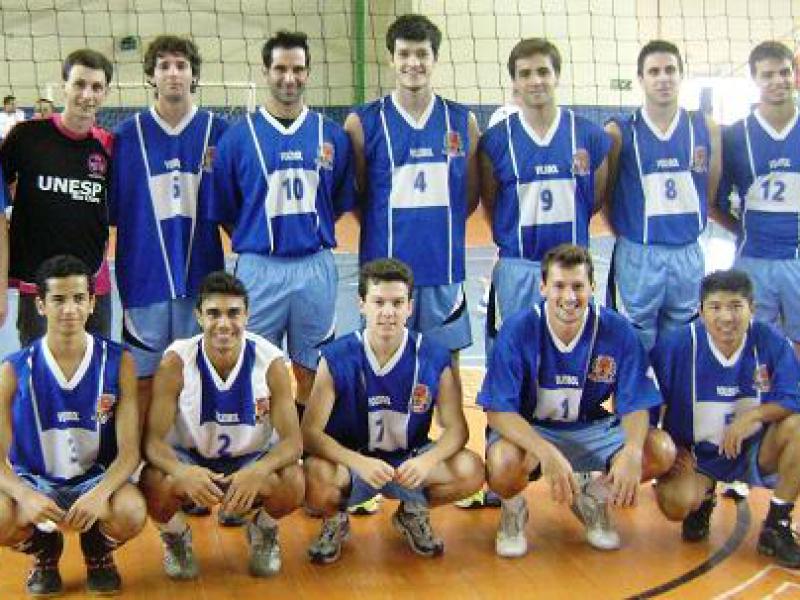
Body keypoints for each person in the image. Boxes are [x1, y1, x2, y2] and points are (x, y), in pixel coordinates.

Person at [479, 244, 675, 557]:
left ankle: (593, 496)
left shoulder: (616, 330)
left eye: (578, 286)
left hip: (591, 427)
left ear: (592, 287)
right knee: (502, 464)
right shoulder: (518, 330)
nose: (569, 297)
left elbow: (637, 401)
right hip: (534, 429)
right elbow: (498, 412)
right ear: (543, 287)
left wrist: (633, 451)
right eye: (559, 286)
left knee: (660, 451)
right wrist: (546, 452)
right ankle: (513, 508)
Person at [210, 30, 354, 417]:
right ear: (265, 72)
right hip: (260, 268)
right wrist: (257, 236)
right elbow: (226, 209)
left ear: (308, 72)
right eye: (280, 69)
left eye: (298, 69)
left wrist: (306, 232)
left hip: (314, 266)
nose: (289, 78)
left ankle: (306, 446)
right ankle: (262, 443)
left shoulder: (332, 135)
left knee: (313, 371)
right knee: (256, 369)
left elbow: (337, 201)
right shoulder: (237, 138)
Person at [302, 258, 484, 564]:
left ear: (410, 307)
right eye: (379, 302)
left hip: (408, 459)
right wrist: (357, 462)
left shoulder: (433, 356)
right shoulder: (336, 358)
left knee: (471, 470)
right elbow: (309, 433)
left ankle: (413, 511)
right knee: (313, 476)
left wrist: (427, 461)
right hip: (353, 461)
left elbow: (457, 429)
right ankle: (335, 517)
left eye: (397, 303)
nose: (388, 312)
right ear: (362, 305)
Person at [140, 271, 304, 579]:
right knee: (153, 482)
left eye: (233, 313)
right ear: (199, 316)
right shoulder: (176, 362)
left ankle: (263, 529)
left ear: (247, 316)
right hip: (192, 460)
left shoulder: (271, 363)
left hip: (248, 461)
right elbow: (152, 442)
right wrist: (180, 471)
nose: (224, 324)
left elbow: (293, 443)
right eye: (214, 313)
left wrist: (259, 470)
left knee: (293, 481)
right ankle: (176, 536)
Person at [0, 255, 144, 596]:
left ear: (92, 303)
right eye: (59, 299)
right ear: (40, 305)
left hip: (95, 478)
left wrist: (101, 493)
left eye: (79, 298)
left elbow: (129, 453)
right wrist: (24, 495)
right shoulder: (13, 370)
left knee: (132, 512)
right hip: (35, 481)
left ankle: (97, 551)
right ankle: (44, 551)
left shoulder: (119, 361)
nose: (70, 309)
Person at [345, 13, 480, 354]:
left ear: (435, 58)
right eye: (404, 54)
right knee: (381, 370)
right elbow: (360, 198)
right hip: (384, 275)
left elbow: (470, 196)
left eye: (422, 54)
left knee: (445, 370)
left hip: (442, 269)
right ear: (391, 58)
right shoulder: (363, 122)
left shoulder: (462, 121)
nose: (413, 63)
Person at [110, 35, 227, 426]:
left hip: (202, 281)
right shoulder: (124, 137)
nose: (173, 73)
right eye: (164, 65)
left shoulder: (220, 132)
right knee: (141, 382)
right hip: (144, 282)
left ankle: (194, 450)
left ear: (194, 75)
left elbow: (236, 208)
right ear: (150, 75)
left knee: (197, 379)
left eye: (181, 65)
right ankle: (141, 454)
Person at [652, 269, 800, 568]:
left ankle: (777, 524)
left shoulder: (770, 341)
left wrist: (754, 416)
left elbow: (792, 397)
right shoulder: (676, 345)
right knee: (675, 503)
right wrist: (663, 450)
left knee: (797, 426)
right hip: (697, 456)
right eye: (715, 307)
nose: (726, 317)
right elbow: (646, 402)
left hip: (757, 451)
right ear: (700, 311)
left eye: (735, 306)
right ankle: (704, 497)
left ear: (752, 308)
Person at [480, 37, 611, 351]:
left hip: (571, 271)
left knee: (572, 356)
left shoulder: (589, 135)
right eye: (525, 74)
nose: (535, 80)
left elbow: (594, 199)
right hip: (519, 268)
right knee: (513, 356)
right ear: (514, 82)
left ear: (557, 75)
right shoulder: (496, 140)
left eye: (543, 71)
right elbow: (492, 203)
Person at [606, 40, 722, 351]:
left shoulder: (705, 127)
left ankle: (676, 387)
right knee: (633, 342)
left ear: (681, 75)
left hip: (687, 251)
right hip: (638, 252)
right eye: (654, 71)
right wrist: (627, 233)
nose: (663, 78)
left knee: (682, 342)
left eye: (670, 70)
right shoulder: (620, 131)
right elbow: (607, 194)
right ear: (640, 79)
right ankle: (636, 387)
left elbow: (709, 192)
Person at [0, 49, 115, 346]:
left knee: (98, 368)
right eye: (79, 84)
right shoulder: (25, 137)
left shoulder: (108, 146)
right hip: (37, 283)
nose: (87, 95)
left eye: (96, 87)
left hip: (92, 281)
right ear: (64, 85)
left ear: (106, 93)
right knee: (38, 367)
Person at [716, 41, 800, 357]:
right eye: (768, 75)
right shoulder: (735, 136)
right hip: (754, 258)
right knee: (754, 344)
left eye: (785, 72)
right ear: (754, 78)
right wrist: (743, 230)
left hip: (797, 259)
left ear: (794, 75)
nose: (778, 80)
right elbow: (715, 203)